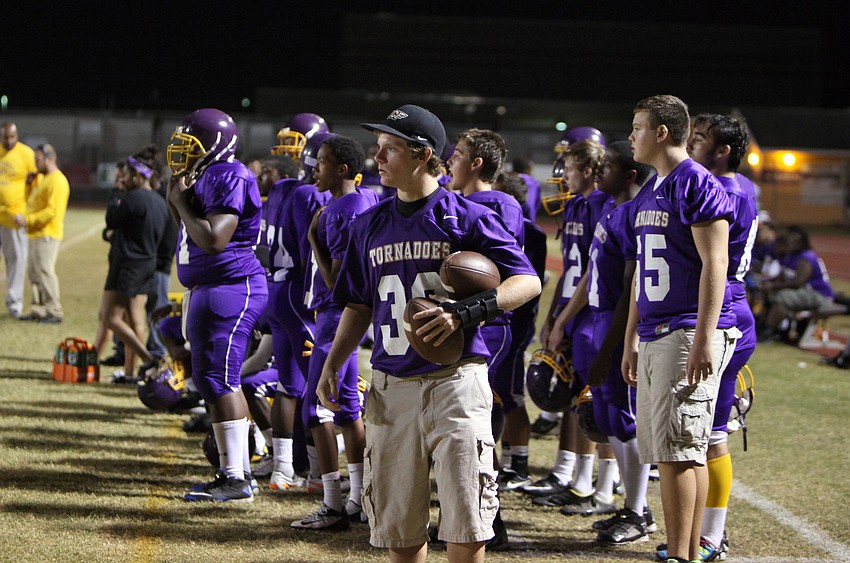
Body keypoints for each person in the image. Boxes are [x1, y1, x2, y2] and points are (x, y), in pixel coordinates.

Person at [316, 104, 540, 562]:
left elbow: (527, 281)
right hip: (391, 386)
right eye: (378, 148)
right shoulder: (368, 224)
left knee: (466, 524)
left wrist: (466, 312)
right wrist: (332, 363)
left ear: (422, 154)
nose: (377, 158)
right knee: (398, 530)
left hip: (455, 383)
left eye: (390, 149)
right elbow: (358, 305)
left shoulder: (465, 216)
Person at [621, 95, 739, 563]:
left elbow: (716, 262)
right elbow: (641, 269)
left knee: (679, 452)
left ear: (662, 132)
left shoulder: (695, 181)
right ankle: (684, 551)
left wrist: (704, 337)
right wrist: (631, 337)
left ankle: (681, 555)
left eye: (638, 127)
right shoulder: (652, 187)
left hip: (685, 328)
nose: (631, 136)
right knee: (675, 451)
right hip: (656, 330)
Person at [660, 113, 757, 560]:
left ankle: (711, 536)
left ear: (722, 151)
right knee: (700, 435)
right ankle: (703, 533)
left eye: (699, 138)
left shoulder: (723, 191)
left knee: (709, 435)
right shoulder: (734, 186)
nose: (690, 144)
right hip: (724, 304)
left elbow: (710, 261)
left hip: (722, 309)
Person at [166, 108, 268, 502]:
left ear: (214, 146)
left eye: (190, 144)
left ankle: (235, 478)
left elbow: (213, 239)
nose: (181, 151)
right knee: (213, 379)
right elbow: (187, 229)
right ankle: (236, 473)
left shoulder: (229, 174)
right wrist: (177, 198)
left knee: (220, 380)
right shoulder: (208, 174)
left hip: (231, 285)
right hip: (212, 286)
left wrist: (182, 201)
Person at [527, 139, 620, 519]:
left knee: (599, 400)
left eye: (568, 169)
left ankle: (605, 485)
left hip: (594, 310)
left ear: (589, 170)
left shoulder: (604, 206)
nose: (563, 177)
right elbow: (570, 270)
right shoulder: (577, 205)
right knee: (572, 395)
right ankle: (577, 479)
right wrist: (553, 316)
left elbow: (594, 272)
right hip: (573, 309)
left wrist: (564, 318)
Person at [291, 135, 377, 530]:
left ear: (342, 169)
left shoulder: (342, 210)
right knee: (347, 408)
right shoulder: (362, 199)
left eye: (322, 162)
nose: (315, 168)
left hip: (335, 317)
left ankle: (332, 504)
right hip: (340, 316)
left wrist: (314, 239)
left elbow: (338, 283)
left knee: (316, 409)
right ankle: (359, 499)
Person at [577, 141, 656, 545]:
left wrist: (614, 345)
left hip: (618, 321)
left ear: (630, 174)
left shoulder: (636, 213)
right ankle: (633, 507)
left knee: (626, 421)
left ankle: (638, 512)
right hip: (601, 317)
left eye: (606, 166)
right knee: (609, 421)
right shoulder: (613, 208)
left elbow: (631, 287)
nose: (598, 171)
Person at [262, 117, 332, 492]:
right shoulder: (309, 193)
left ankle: (283, 469)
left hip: (276, 289)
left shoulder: (281, 187)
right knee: (319, 383)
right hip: (298, 293)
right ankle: (319, 473)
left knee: (288, 384)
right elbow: (311, 256)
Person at [492, 172, 548, 493]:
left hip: (516, 322)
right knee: (500, 395)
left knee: (510, 395)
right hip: (509, 320)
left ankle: (521, 466)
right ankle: (510, 460)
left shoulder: (530, 233)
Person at [100, 146, 170, 381]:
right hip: (147, 265)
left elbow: (112, 219)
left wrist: (116, 192)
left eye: (127, 175)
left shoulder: (134, 198)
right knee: (135, 320)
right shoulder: (159, 202)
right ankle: (130, 373)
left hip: (127, 265)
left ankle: (148, 359)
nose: (124, 179)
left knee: (109, 317)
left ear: (139, 176)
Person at [15, 144, 70, 323]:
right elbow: (33, 203)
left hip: (47, 233)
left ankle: (54, 310)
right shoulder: (43, 179)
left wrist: (28, 220)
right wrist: (28, 184)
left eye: (38, 160)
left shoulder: (57, 181)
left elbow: (51, 211)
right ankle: (38, 310)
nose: (35, 164)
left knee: (45, 271)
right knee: (34, 273)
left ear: (49, 159)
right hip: (36, 233)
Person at [759, 225, 835, 341]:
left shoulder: (806, 258)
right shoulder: (790, 256)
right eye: (790, 240)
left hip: (819, 295)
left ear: (802, 242)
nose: (791, 243)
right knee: (770, 294)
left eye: (794, 241)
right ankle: (770, 327)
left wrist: (773, 286)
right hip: (804, 292)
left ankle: (769, 330)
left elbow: (798, 282)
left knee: (783, 297)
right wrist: (768, 284)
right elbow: (782, 276)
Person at [0, 123, 37, 319]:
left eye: (12, 137)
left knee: (16, 261)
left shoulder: (26, 154)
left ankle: (14, 303)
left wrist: (28, 211)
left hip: (14, 218)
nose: (9, 141)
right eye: (5, 137)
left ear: (17, 135)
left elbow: (36, 182)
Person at [511, 156, 541, 222]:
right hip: (528, 221)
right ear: (527, 169)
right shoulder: (534, 183)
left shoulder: (508, 180)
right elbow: (536, 204)